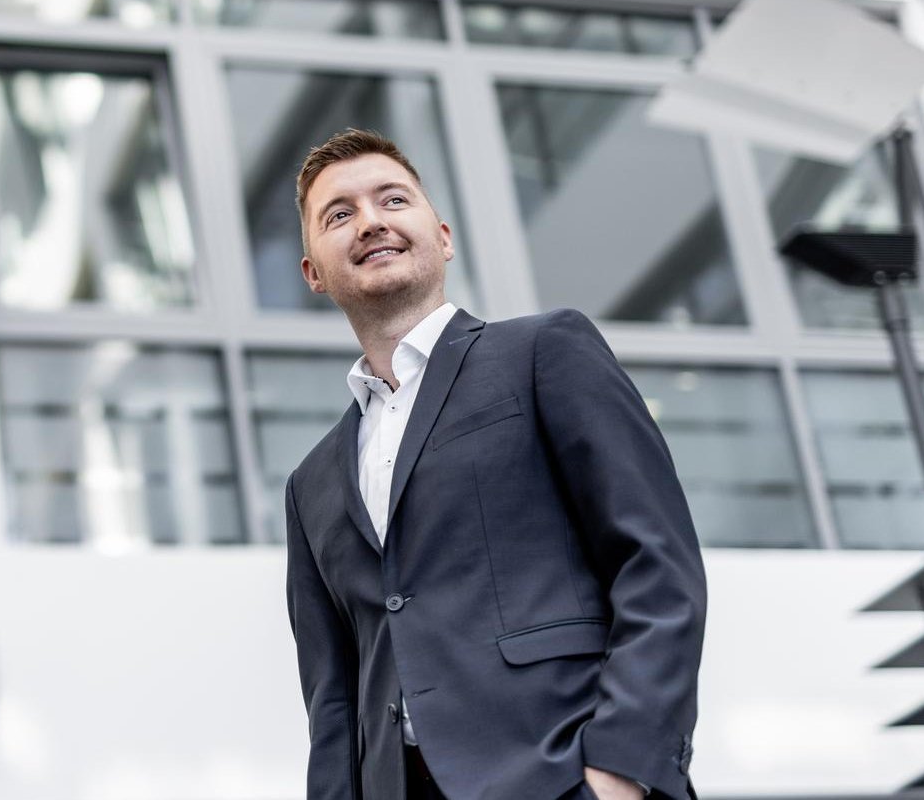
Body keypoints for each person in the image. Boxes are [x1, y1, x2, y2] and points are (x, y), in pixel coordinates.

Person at [283, 129, 706, 800]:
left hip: (561, 774)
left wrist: (622, 770)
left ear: (442, 236)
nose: (371, 221)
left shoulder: (543, 352)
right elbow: (332, 702)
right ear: (313, 271)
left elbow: (656, 564)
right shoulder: (310, 486)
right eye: (340, 214)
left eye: (393, 199)